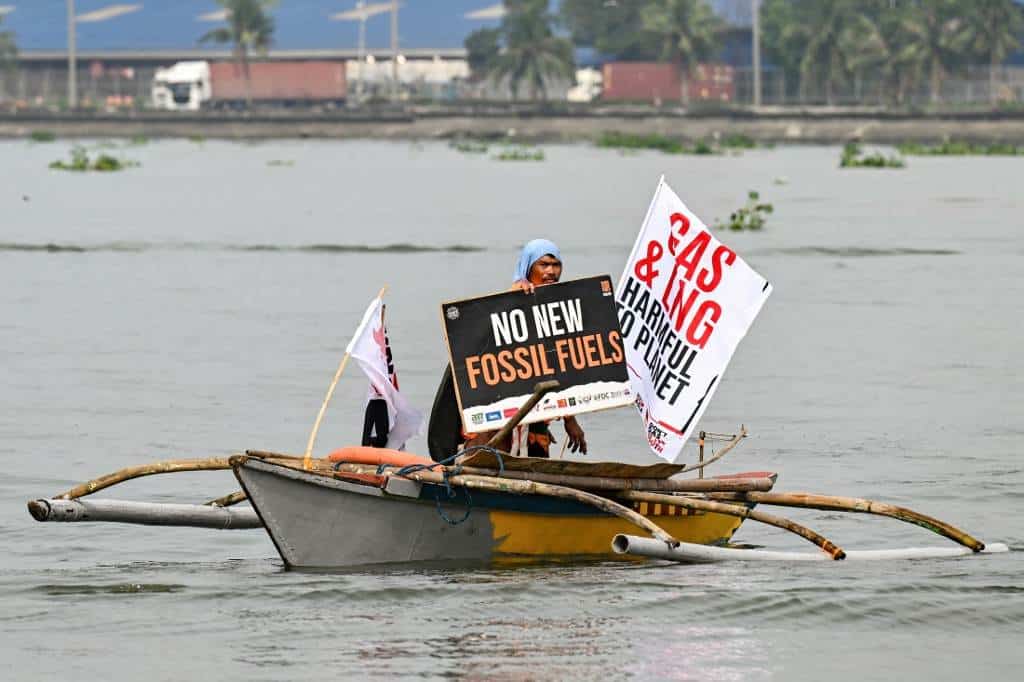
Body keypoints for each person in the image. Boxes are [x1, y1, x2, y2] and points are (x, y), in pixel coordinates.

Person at [427, 239, 587, 460]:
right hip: (497, 416)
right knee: (485, 464)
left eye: (556, 265)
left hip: (535, 420)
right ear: (528, 267)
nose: (551, 271)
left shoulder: (558, 312)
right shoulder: (507, 306)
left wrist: (570, 420)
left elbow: (557, 365)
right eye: (544, 265)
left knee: (534, 475)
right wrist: (514, 299)